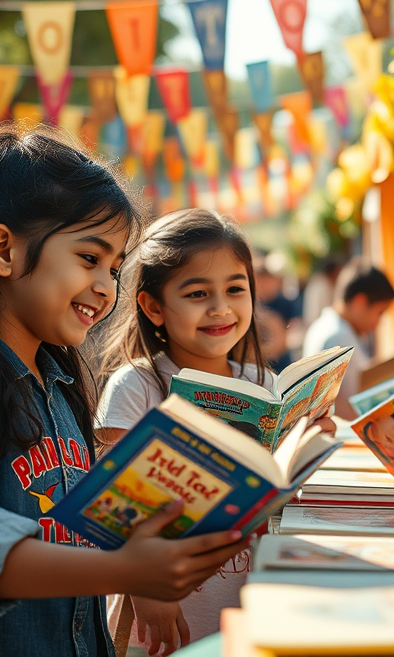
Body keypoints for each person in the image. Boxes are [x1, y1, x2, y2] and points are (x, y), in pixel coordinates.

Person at [0, 124, 249, 656]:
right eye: (89, 259)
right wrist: (119, 568)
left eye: (115, 269)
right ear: (4, 251)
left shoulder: (60, 381)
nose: (106, 287)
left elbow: (77, 528)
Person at [97, 209, 282, 656]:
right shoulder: (135, 385)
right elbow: (109, 509)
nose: (220, 307)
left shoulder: (263, 385)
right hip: (160, 609)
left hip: (244, 596)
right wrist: (145, 588)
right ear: (154, 307)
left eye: (235, 289)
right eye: (198, 293)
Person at [302, 259, 394, 418]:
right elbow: (344, 406)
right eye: (380, 312)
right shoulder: (338, 336)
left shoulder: (329, 327)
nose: (379, 323)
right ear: (360, 302)